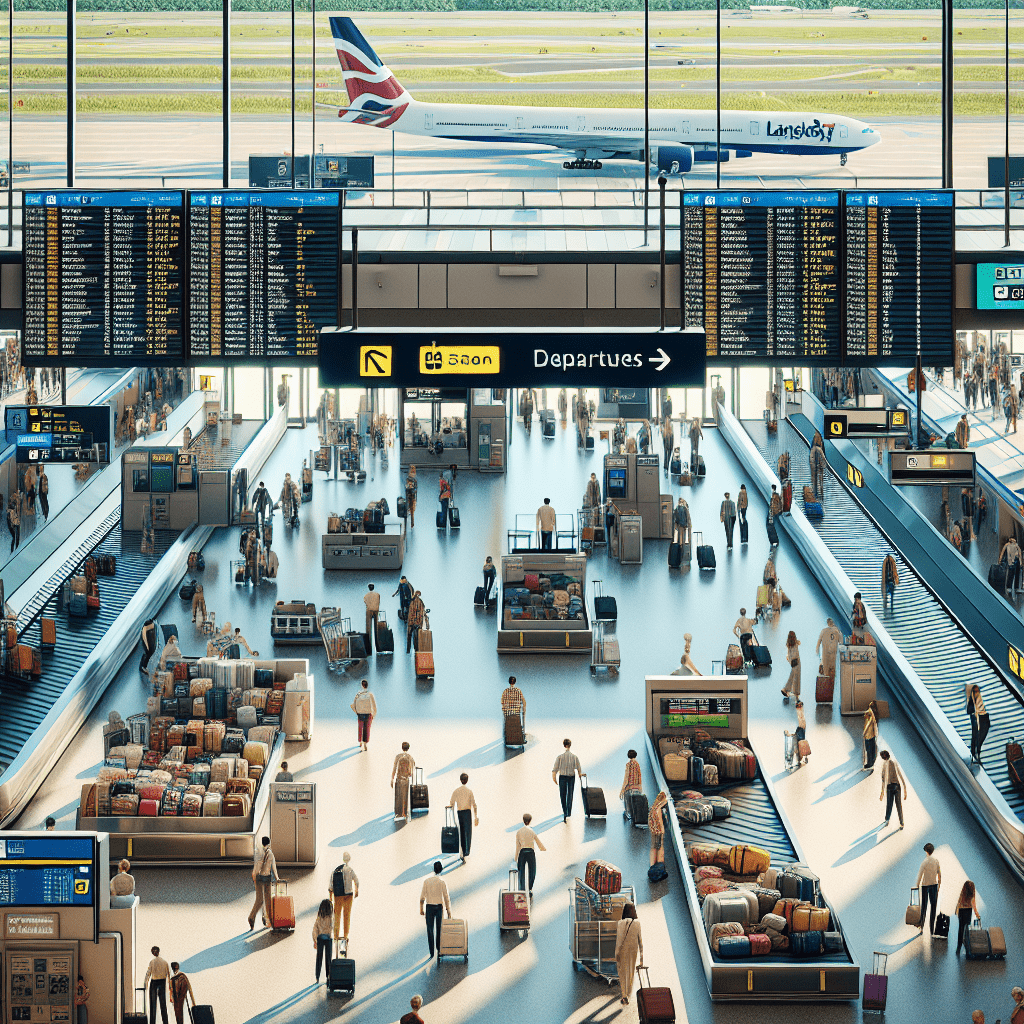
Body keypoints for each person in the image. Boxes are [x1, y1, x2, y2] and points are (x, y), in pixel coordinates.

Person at [419, 861, 452, 958]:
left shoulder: (427, 881)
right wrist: (449, 911)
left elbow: (422, 898)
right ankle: (438, 948)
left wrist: (421, 909)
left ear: (433, 869)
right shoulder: (442, 882)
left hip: (429, 907)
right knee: (439, 929)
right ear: (441, 869)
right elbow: (446, 898)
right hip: (439, 908)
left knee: (430, 929)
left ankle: (431, 952)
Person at [614, 904, 644, 1006]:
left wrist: (617, 953)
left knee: (622, 974)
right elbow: (640, 941)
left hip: (623, 951)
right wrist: (641, 959)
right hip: (633, 951)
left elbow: (619, 940)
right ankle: (629, 994)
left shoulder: (621, 923)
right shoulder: (637, 923)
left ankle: (624, 995)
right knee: (630, 973)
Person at [248, 836, 279, 930]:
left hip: (258, 878)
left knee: (259, 900)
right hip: (266, 878)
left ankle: (252, 917)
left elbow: (256, 867)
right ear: (269, 843)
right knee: (268, 900)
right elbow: (273, 867)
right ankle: (268, 920)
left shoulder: (258, 853)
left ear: (262, 843)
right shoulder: (270, 854)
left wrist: (254, 876)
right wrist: (277, 879)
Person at [329, 851, 359, 943]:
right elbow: (356, 881)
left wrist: (331, 896)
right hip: (349, 895)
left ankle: (336, 936)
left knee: (337, 916)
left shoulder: (335, 871)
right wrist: (356, 890)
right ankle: (345, 936)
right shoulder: (350, 870)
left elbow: (331, 885)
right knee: (347, 915)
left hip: (338, 896)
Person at [449, 773, 479, 862]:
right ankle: (467, 851)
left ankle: (463, 849)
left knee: (462, 831)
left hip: (460, 812)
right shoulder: (469, 791)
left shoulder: (456, 791)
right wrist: (476, 816)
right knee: (468, 831)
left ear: (460, 779)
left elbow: (451, 803)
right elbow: (474, 804)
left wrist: (453, 818)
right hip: (467, 812)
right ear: (467, 780)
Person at [514, 812, 546, 896]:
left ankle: (522, 888)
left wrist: (515, 858)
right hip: (531, 852)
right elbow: (537, 841)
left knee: (521, 871)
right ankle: (530, 888)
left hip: (522, 852)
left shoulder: (519, 832)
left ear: (523, 820)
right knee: (532, 871)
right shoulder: (532, 831)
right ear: (530, 821)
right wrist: (542, 848)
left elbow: (518, 846)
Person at [552, 738, 583, 822]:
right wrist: (580, 775)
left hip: (562, 777)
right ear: (570, 745)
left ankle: (564, 811)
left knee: (563, 794)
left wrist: (554, 778)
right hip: (571, 777)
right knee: (570, 794)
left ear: (564, 745)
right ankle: (569, 811)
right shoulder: (574, 757)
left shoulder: (560, 757)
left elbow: (555, 769)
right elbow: (579, 768)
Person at [915, 842, 942, 935]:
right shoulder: (936, 861)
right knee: (933, 907)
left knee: (924, 906)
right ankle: (931, 927)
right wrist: (939, 882)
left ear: (926, 851)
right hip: (934, 885)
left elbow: (920, 875)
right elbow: (939, 873)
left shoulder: (925, 862)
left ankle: (921, 927)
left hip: (925, 886)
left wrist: (917, 885)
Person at [879, 749, 908, 829]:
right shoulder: (894, 762)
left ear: (883, 757)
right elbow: (900, 775)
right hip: (897, 786)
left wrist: (882, 793)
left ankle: (887, 820)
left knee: (889, 804)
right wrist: (904, 788)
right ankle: (901, 822)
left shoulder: (885, 765)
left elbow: (883, 779)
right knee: (899, 805)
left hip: (890, 786)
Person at [144, 947, 171, 1024]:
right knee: (163, 1004)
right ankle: (165, 1022)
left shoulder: (152, 962)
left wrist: (145, 983)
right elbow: (169, 975)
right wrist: (170, 986)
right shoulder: (165, 962)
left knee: (153, 1005)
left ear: (153, 952)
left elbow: (148, 974)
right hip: (162, 982)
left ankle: (152, 1022)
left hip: (154, 983)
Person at [954, 880, 980, 956]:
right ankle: (967, 947)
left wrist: (957, 910)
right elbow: (974, 906)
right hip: (968, 911)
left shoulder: (963, 895)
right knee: (966, 929)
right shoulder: (971, 896)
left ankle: (958, 947)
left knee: (960, 929)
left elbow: (959, 902)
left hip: (961, 911)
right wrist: (977, 915)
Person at [392, 741, 416, 820]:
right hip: (405, 780)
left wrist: (392, 779)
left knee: (398, 795)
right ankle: (404, 813)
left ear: (402, 747)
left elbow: (394, 768)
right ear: (408, 748)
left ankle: (397, 813)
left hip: (398, 778)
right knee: (404, 796)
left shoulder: (398, 756)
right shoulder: (410, 757)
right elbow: (411, 771)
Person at [351, 679, 377, 752]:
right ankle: (365, 744)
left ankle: (360, 742)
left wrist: (357, 712)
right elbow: (374, 705)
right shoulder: (370, 694)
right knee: (366, 729)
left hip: (360, 713)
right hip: (368, 713)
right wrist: (373, 714)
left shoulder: (358, 694)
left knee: (360, 728)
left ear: (362, 685)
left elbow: (353, 704)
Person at [967, 683, 990, 765]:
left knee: (978, 733)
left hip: (981, 715)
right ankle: (975, 753)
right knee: (977, 733)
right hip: (980, 715)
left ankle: (975, 753)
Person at [618, 750, 642, 816]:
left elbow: (626, 778)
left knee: (626, 799)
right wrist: (640, 787)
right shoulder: (637, 764)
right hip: (637, 786)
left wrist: (622, 790)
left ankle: (627, 812)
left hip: (629, 787)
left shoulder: (628, 765)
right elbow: (639, 776)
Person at [648, 791, 669, 868]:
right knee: (660, 847)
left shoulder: (653, 808)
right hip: (659, 831)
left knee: (653, 847)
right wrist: (662, 831)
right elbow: (660, 821)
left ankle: (652, 865)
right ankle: (660, 864)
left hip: (653, 831)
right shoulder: (658, 809)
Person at [781, 631, 801, 701]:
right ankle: (796, 694)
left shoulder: (788, 644)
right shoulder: (796, 643)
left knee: (792, 676)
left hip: (792, 662)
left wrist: (789, 661)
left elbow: (788, 655)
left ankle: (786, 689)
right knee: (797, 678)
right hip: (797, 662)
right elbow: (799, 643)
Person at [363, 583, 380, 655]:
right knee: (377, 628)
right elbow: (378, 601)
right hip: (376, 610)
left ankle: (369, 649)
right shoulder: (377, 594)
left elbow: (365, 602)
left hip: (369, 610)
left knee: (368, 629)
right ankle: (378, 647)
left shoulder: (366, 595)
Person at [863, 701, 879, 770]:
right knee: (872, 749)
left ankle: (870, 763)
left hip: (868, 735)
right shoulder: (873, 714)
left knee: (869, 749)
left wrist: (864, 733)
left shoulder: (868, 713)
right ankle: (872, 762)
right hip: (872, 734)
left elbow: (867, 724)